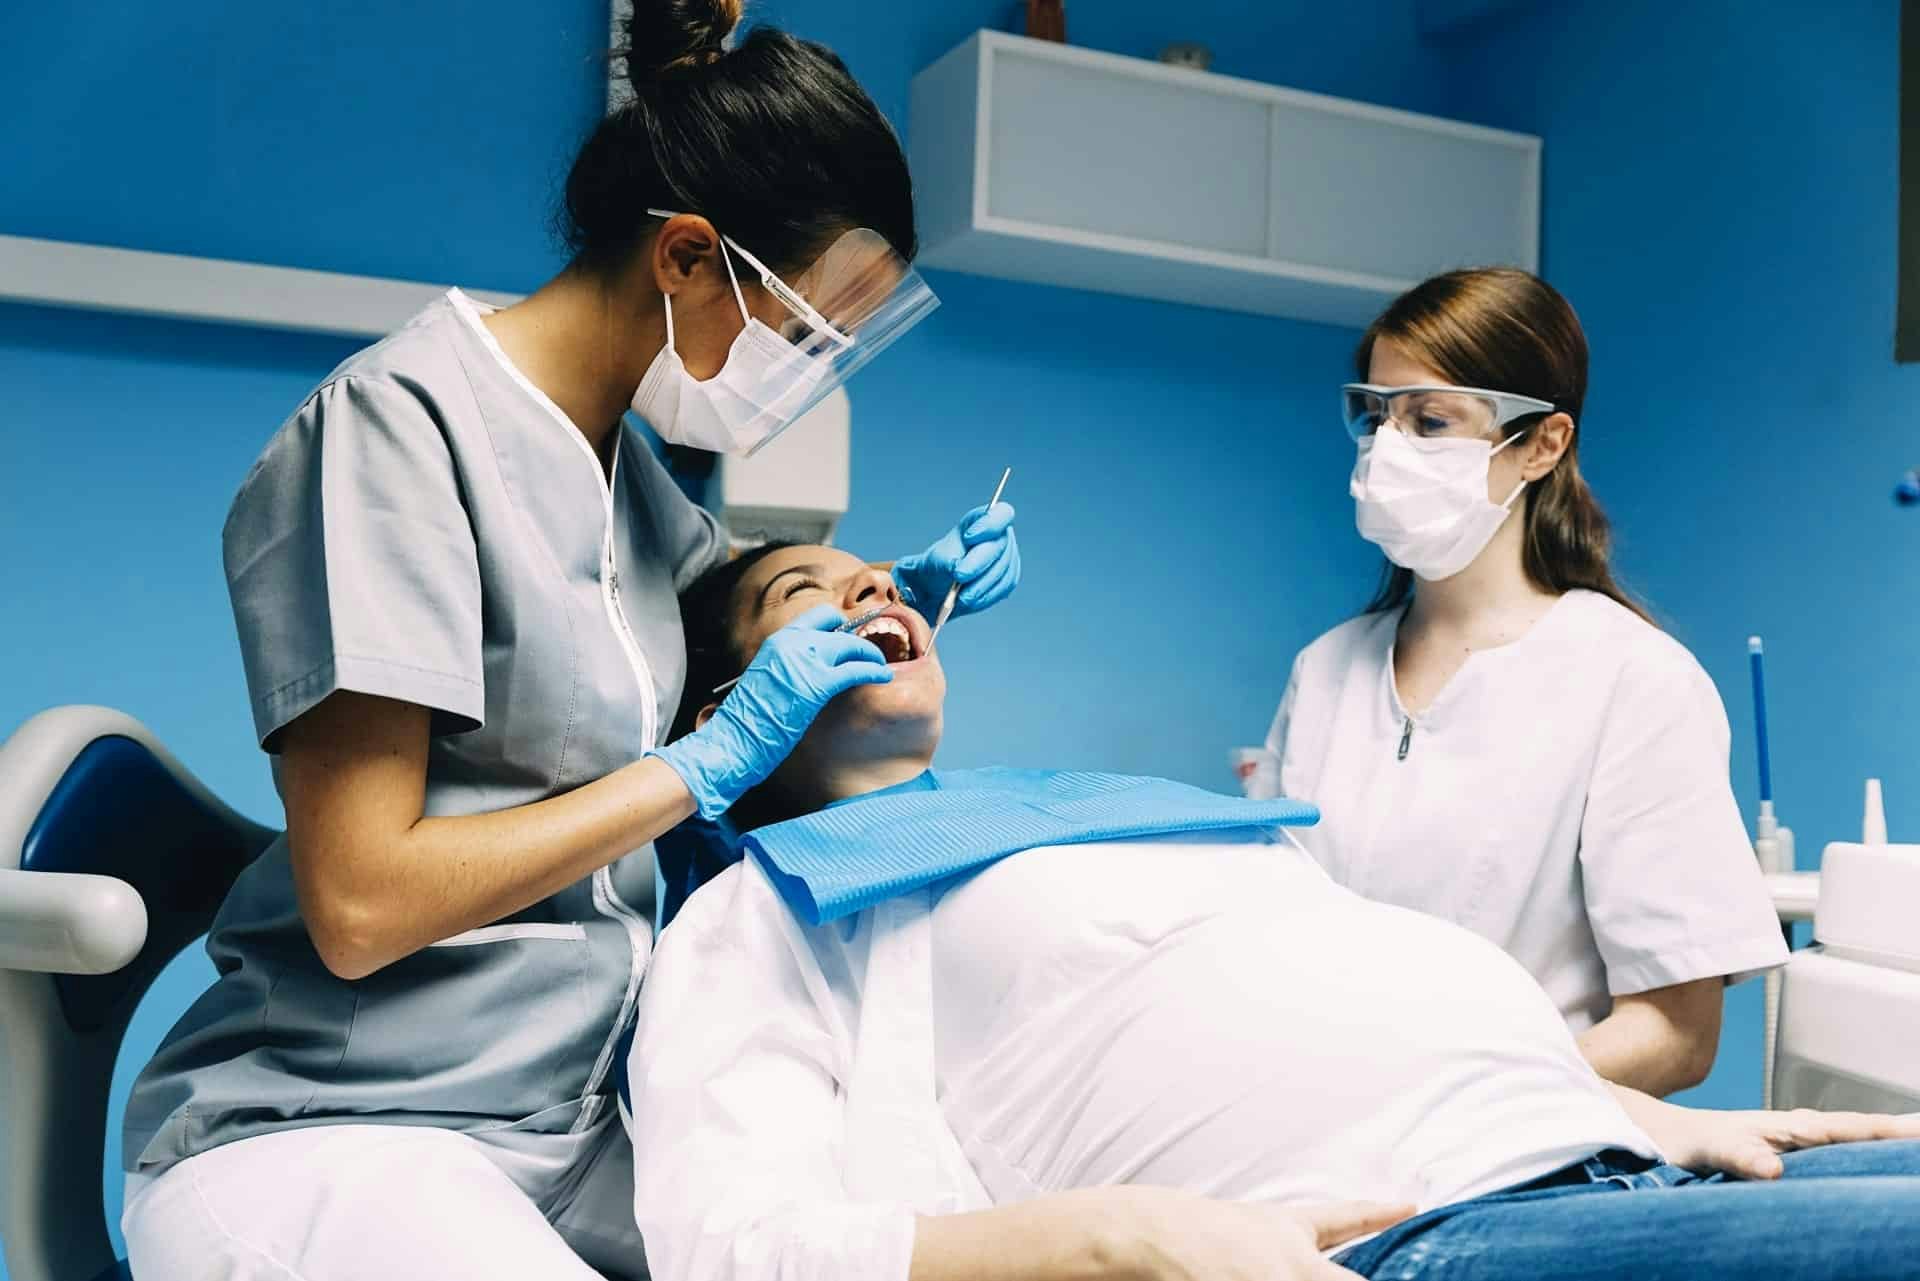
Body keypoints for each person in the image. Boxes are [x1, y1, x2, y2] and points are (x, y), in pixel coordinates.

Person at [117, 5, 1018, 1279]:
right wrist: (693, 769)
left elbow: (742, 630)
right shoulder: (396, 437)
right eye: (806, 331)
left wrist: (896, 593)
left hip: (572, 1127)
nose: (813, 374)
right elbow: (363, 907)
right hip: (343, 1127)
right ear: (690, 260)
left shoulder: (632, 480)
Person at [624, 541, 1920, 1281]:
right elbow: (736, 1246)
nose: (875, 591)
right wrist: (1125, 1239)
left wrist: (1601, 1102)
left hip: (1608, 1151)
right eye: (807, 590)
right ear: (721, 706)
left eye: (882, 580)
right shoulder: (762, 912)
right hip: (1425, 1231)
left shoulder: (1073, 806)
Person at [1251, 268, 1783, 1095]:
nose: (1389, 449)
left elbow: (1676, 1035)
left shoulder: (1633, 682)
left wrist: (1450, 1101)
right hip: (1317, 1128)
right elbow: (1268, 932)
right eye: (1376, 416)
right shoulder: (1325, 671)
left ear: (1542, 443)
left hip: (1518, 1152)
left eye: (1429, 420)